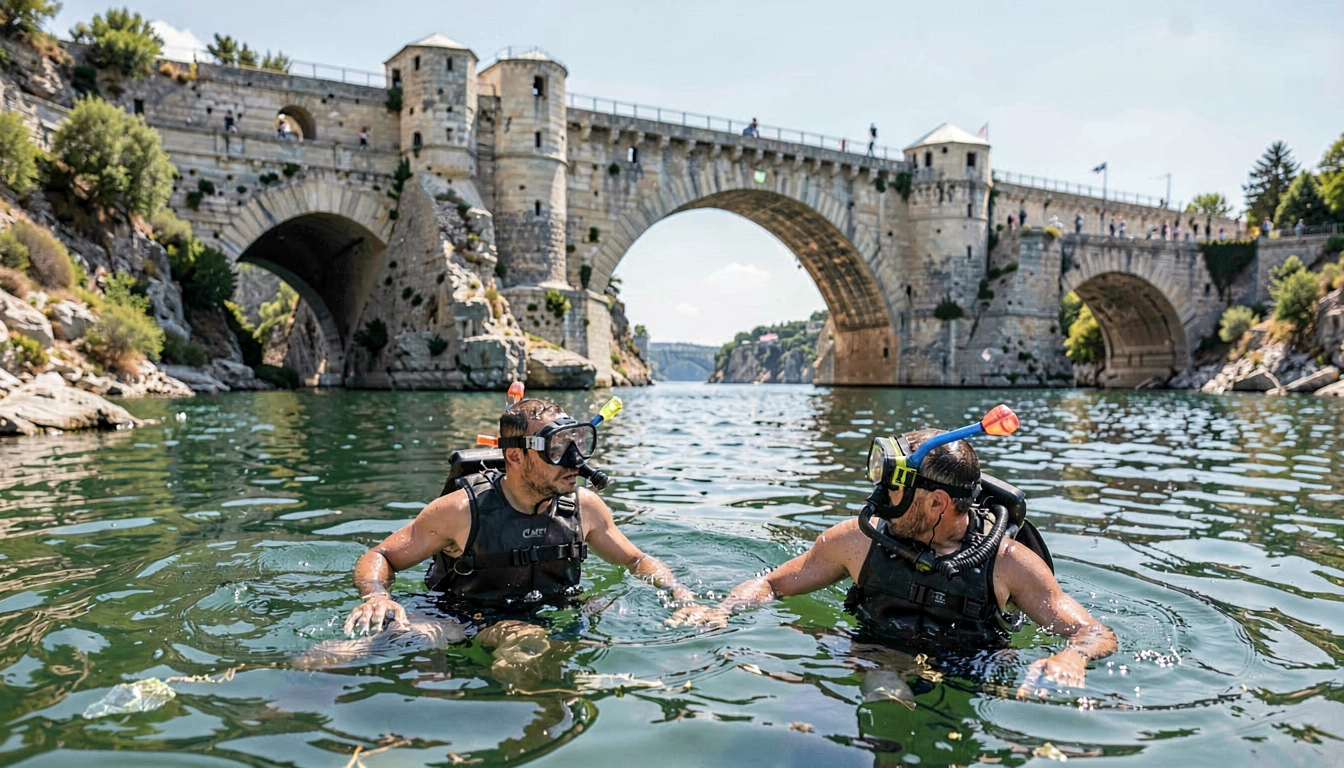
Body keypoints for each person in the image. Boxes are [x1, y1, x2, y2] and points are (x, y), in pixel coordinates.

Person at [671, 414, 1117, 699]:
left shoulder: (1007, 563)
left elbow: (1094, 633)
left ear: (937, 503)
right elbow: (773, 582)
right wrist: (723, 609)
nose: (880, 499)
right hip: (873, 655)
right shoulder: (857, 540)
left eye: (894, 487)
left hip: (970, 672)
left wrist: (1070, 659)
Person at [332, 396, 696, 675]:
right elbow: (380, 556)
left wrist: (679, 593)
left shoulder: (585, 507)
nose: (574, 460)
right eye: (557, 449)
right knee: (333, 658)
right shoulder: (460, 511)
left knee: (638, 622)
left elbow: (637, 560)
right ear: (516, 457)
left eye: (577, 444)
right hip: (459, 618)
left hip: (555, 613)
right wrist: (376, 596)